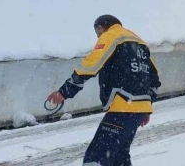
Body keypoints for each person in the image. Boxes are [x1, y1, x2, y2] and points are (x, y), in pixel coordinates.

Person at [47, 15, 161, 166]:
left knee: (96, 158)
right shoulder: (140, 42)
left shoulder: (111, 36)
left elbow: (91, 65)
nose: (98, 36)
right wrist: (146, 107)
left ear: (101, 27)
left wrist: (64, 92)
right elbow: (155, 79)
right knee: (119, 157)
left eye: (97, 31)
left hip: (123, 106)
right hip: (138, 110)